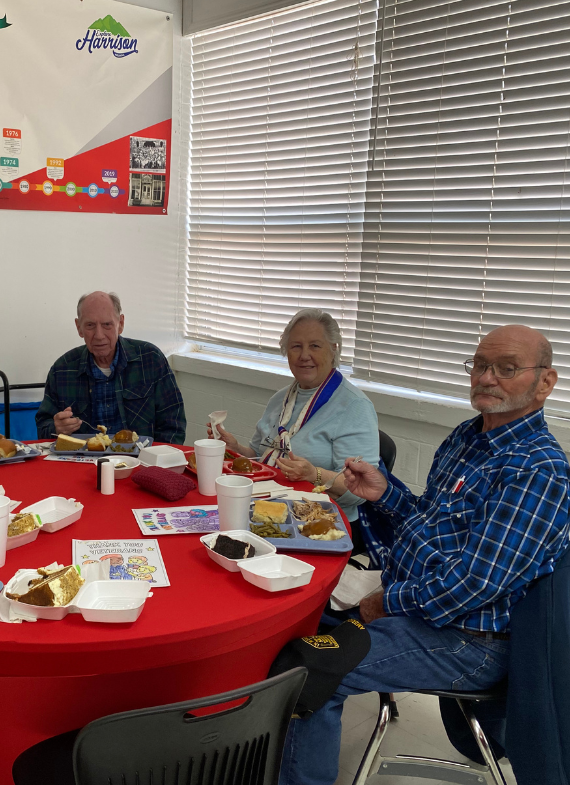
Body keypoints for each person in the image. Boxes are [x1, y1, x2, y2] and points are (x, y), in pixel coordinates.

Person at [278, 324, 570, 785]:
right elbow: (431, 524)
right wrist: (385, 493)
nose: (487, 378)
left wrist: (383, 603)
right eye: (480, 365)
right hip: (419, 603)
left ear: (545, 382)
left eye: (507, 368)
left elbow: (472, 585)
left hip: (468, 638)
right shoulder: (466, 437)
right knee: (291, 619)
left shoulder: (538, 469)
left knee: (312, 670)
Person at [210, 309, 379, 523]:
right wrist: (236, 449)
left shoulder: (355, 406)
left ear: (334, 350)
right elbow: (259, 454)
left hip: (321, 518)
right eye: (296, 346)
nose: (304, 355)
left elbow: (359, 490)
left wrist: (314, 474)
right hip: (267, 505)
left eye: (315, 346)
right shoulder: (280, 398)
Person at [35, 291, 186, 443]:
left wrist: (156, 460)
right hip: (80, 461)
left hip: (141, 461)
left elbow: (173, 425)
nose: (99, 335)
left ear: (120, 324)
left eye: (107, 324)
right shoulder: (61, 370)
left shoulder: (151, 359)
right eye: (90, 325)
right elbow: (42, 428)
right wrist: (56, 428)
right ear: (79, 327)